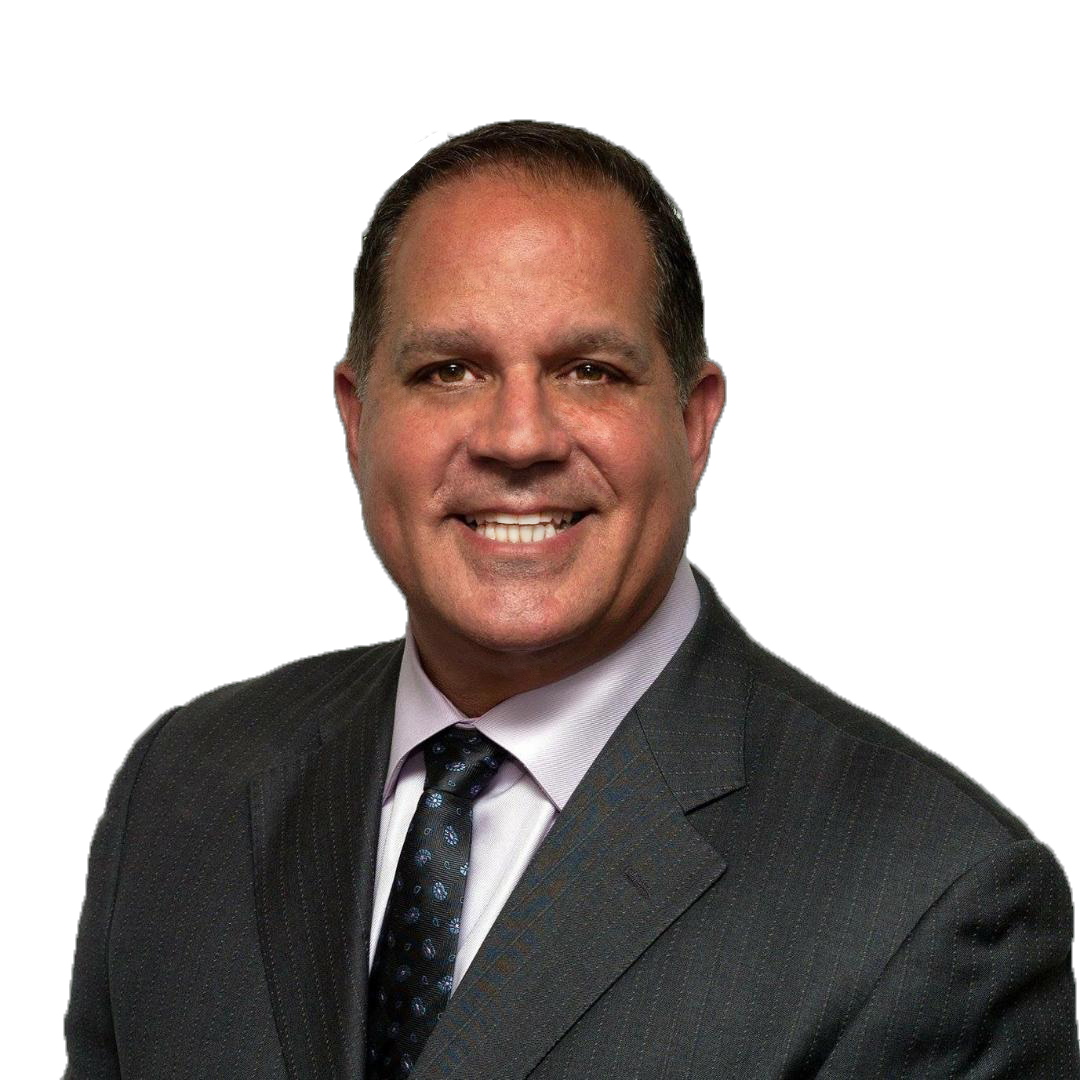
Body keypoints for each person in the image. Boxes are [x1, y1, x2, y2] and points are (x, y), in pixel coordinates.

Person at [63, 120, 1079, 1079]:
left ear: (693, 423)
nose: (519, 438)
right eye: (449, 371)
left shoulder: (934, 903)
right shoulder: (182, 791)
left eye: (589, 371)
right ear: (357, 418)